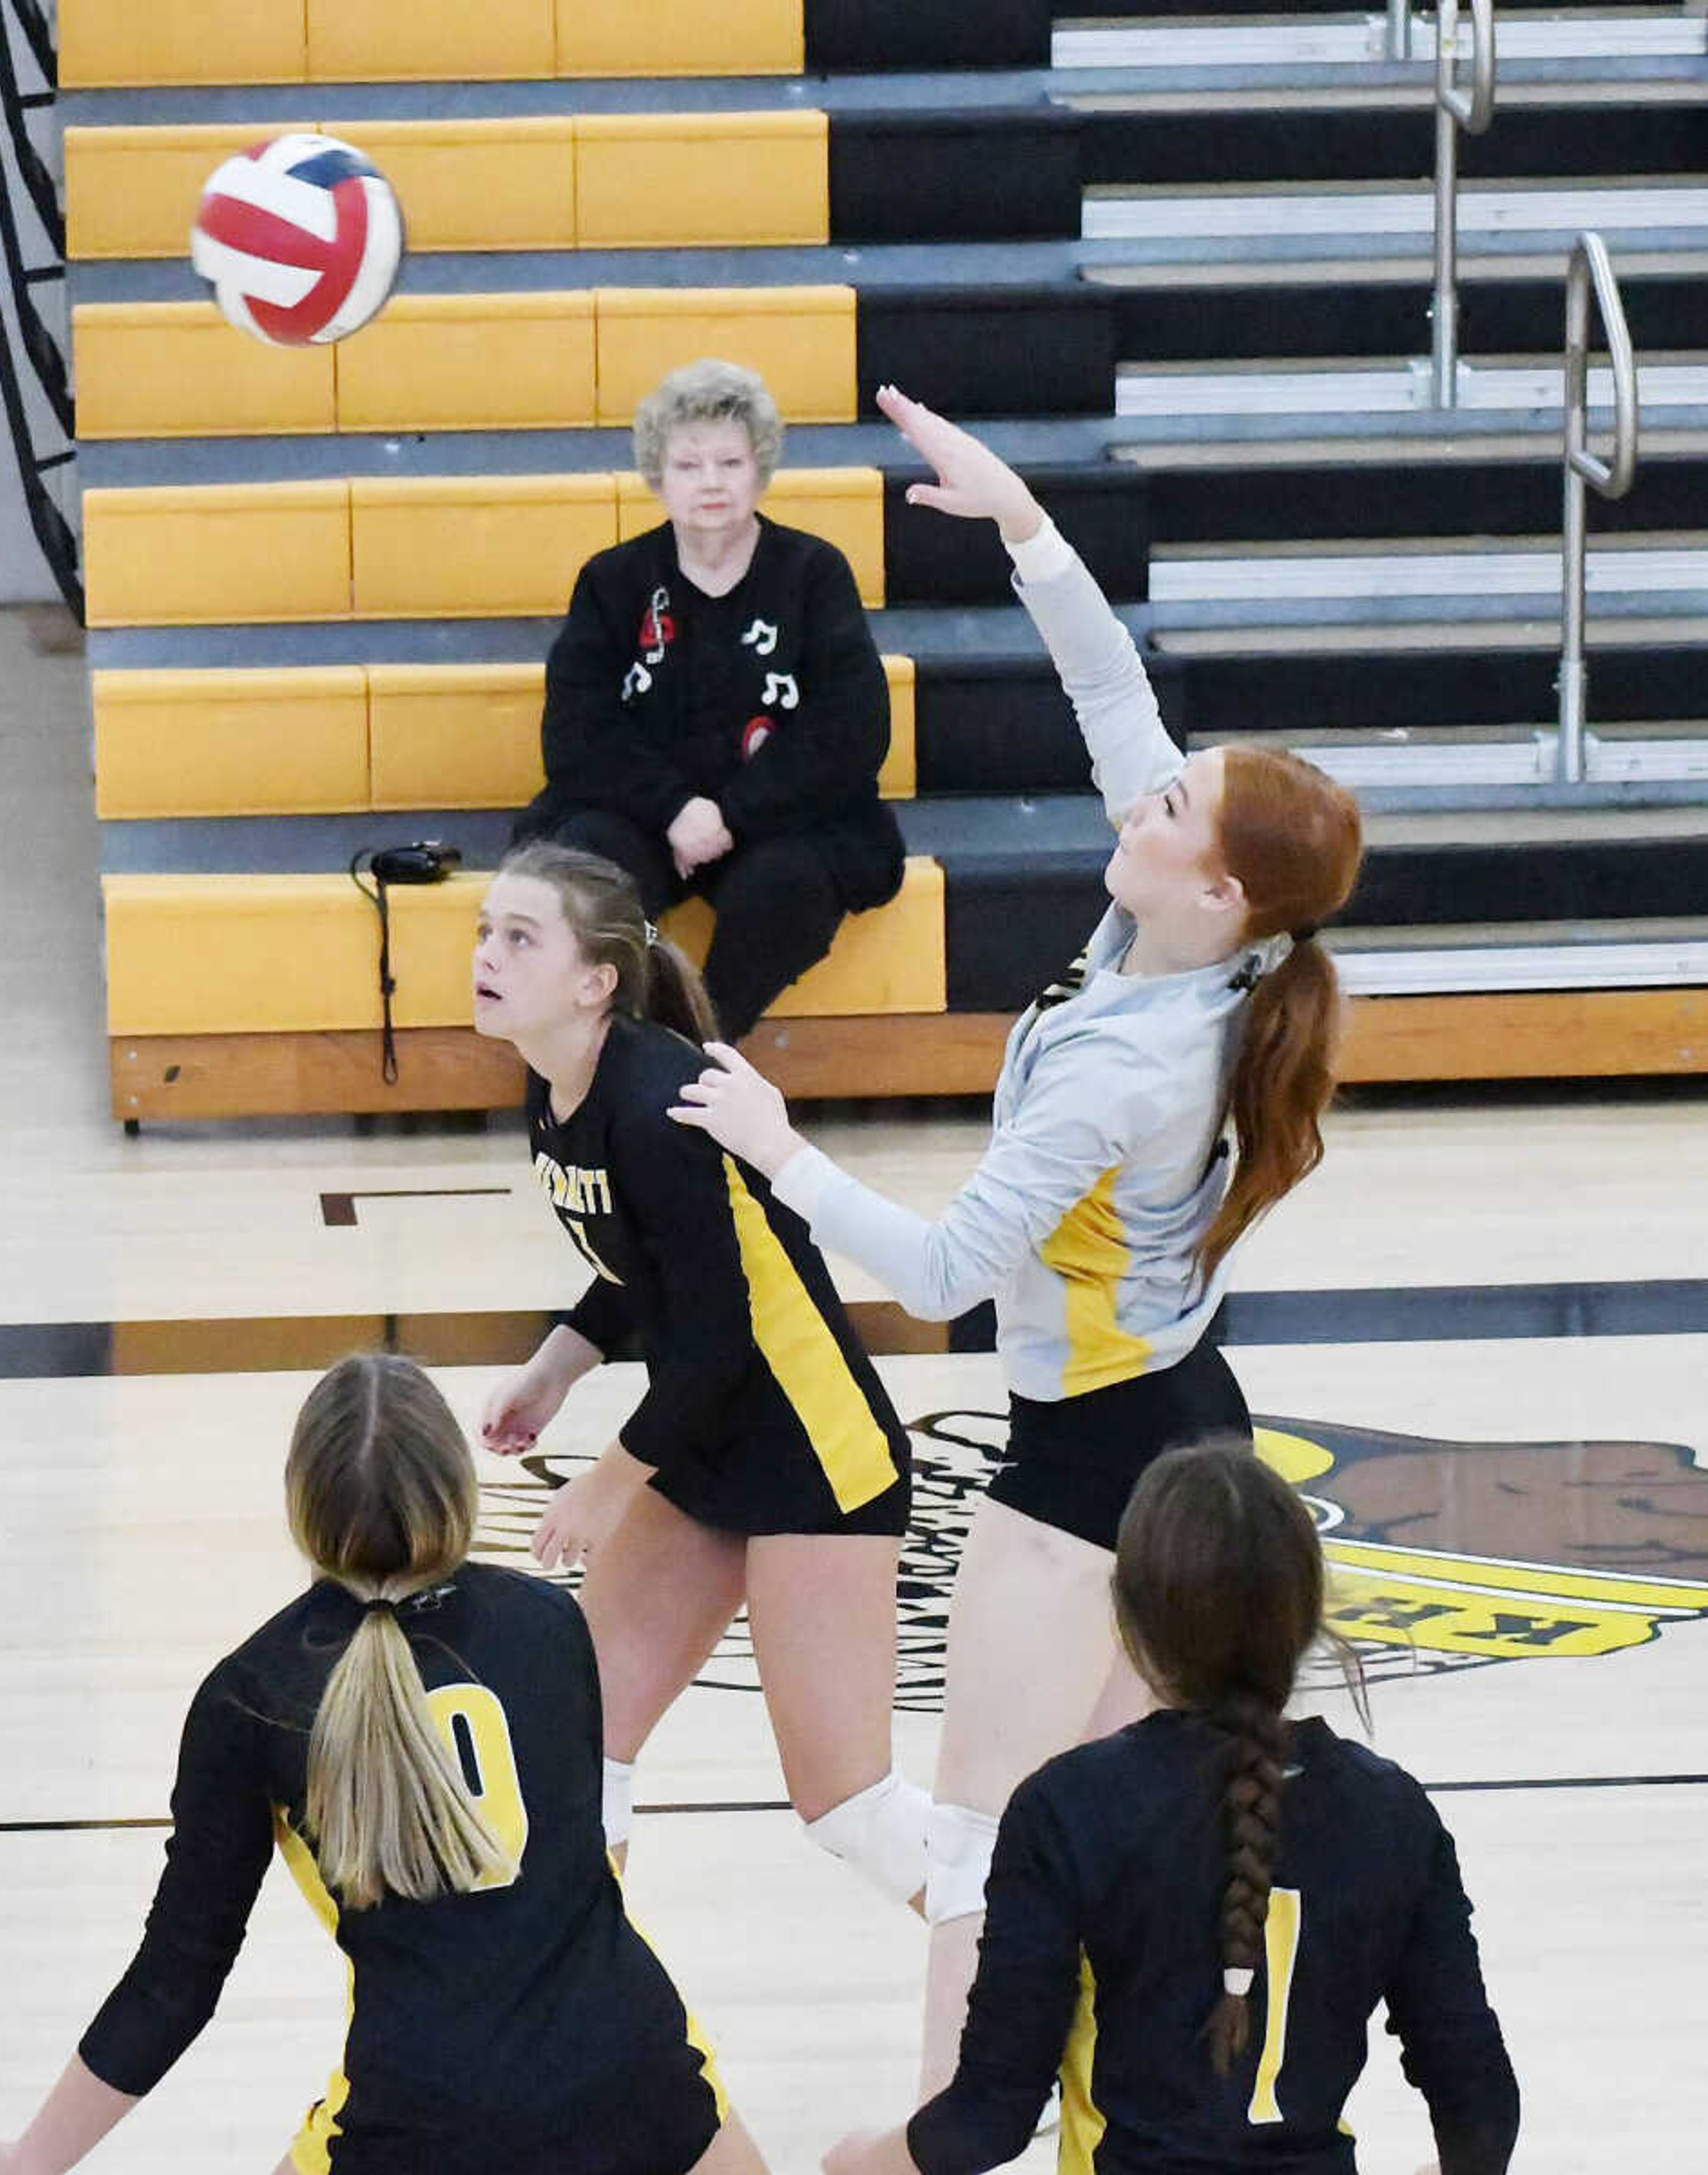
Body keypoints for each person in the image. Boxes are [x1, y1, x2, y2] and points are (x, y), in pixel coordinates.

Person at [671, 384, 1367, 2091]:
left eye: (1163, 813)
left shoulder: (1134, 1066)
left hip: (1092, 1468)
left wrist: (776, 1146)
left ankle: (942, 2129)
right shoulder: (1201, 935)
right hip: (1181, 1419)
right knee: (1133, 1838)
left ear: (1212, 890)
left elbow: (936, 1276)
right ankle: (1120, 2109)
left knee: (979, 1845)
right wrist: (1021, 522)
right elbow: (1109, 695)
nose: (1130, 804)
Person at [0, 1352, 768, 2175]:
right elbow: (585, 1862)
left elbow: (173, 1985)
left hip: (426, 2114)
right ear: (457, 1488)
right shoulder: (551, 1622)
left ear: (304, 1508)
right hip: (634, 2068)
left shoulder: (252, 1693)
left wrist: (33, 2159)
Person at [822, 1443, 1519, 2175]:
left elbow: (989, 2117)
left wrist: (858, 2162)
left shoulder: (1070, 1808)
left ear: (1130, 1621)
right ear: (1309, 1613)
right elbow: (1481, 2104)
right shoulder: (1393, 1814)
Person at [473, 839, 928, 1913]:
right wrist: (558, 1365)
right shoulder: (561, 1083)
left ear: (596, 982)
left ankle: (1060, 1986)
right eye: (485, 932)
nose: (486, 955)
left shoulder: (657, 1105)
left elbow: (723, 1340)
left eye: (519, 937)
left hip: (816, 1459)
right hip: (707, 1435)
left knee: (850, 1810)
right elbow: (641, 1268)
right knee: (574, 1752)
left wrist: (603, 1486)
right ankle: (590, 2026)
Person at [510, 356, 906, 1040]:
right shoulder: (612, 581)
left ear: (762, 467)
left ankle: (695, 1050)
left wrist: (730, 815)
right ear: (658, 477)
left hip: (777, 818)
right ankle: (608, 1052)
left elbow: (853, 728)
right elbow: (577, 734)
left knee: (787, 885)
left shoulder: (814, 573)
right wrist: (674, 810)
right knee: (588, 872)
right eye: (690, 466)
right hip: (641, 816)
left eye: (731, 462)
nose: (712, 483)